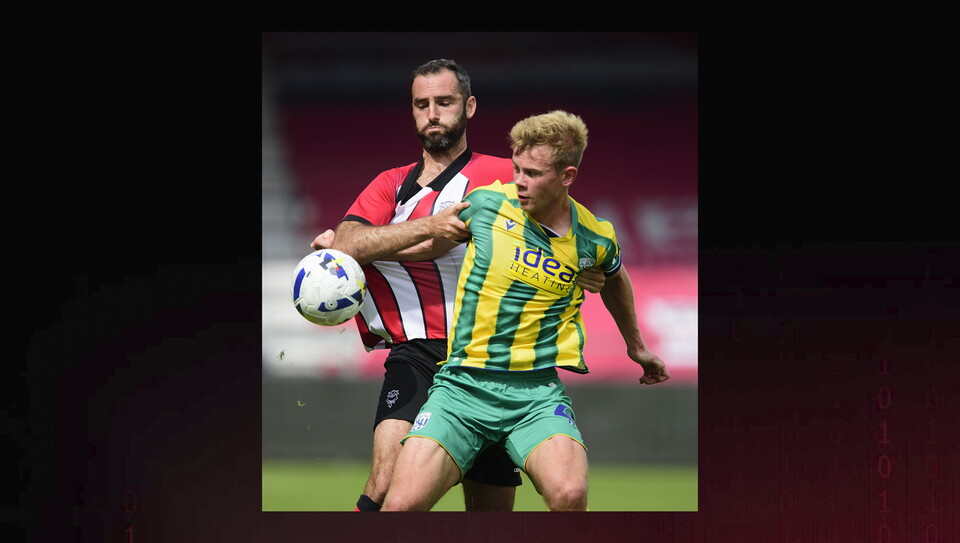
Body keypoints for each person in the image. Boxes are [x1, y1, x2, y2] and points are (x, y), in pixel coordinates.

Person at [309, 60, 608, 512]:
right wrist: (427, 229)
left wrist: (589, 268)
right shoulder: (390, 184)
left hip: (495, 361)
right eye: (421, 104)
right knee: (388, 488)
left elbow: (570, 232)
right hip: (416, 352)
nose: (432, 113)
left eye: (444, 102)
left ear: (468, 107)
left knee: (489, 511)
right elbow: (348, 243)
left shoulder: (507, 175)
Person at [380, 110, 671, 512]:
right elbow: (424, 243)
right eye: (516, 168)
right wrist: (351, 249)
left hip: (535, 395)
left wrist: (636, 346)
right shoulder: (485, 205)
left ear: (567, 176)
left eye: (532, 173)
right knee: (399, 508)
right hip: (462, 387)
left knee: (570, 494)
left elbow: (616, 277)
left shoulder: (596, 237)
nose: (518, 181)